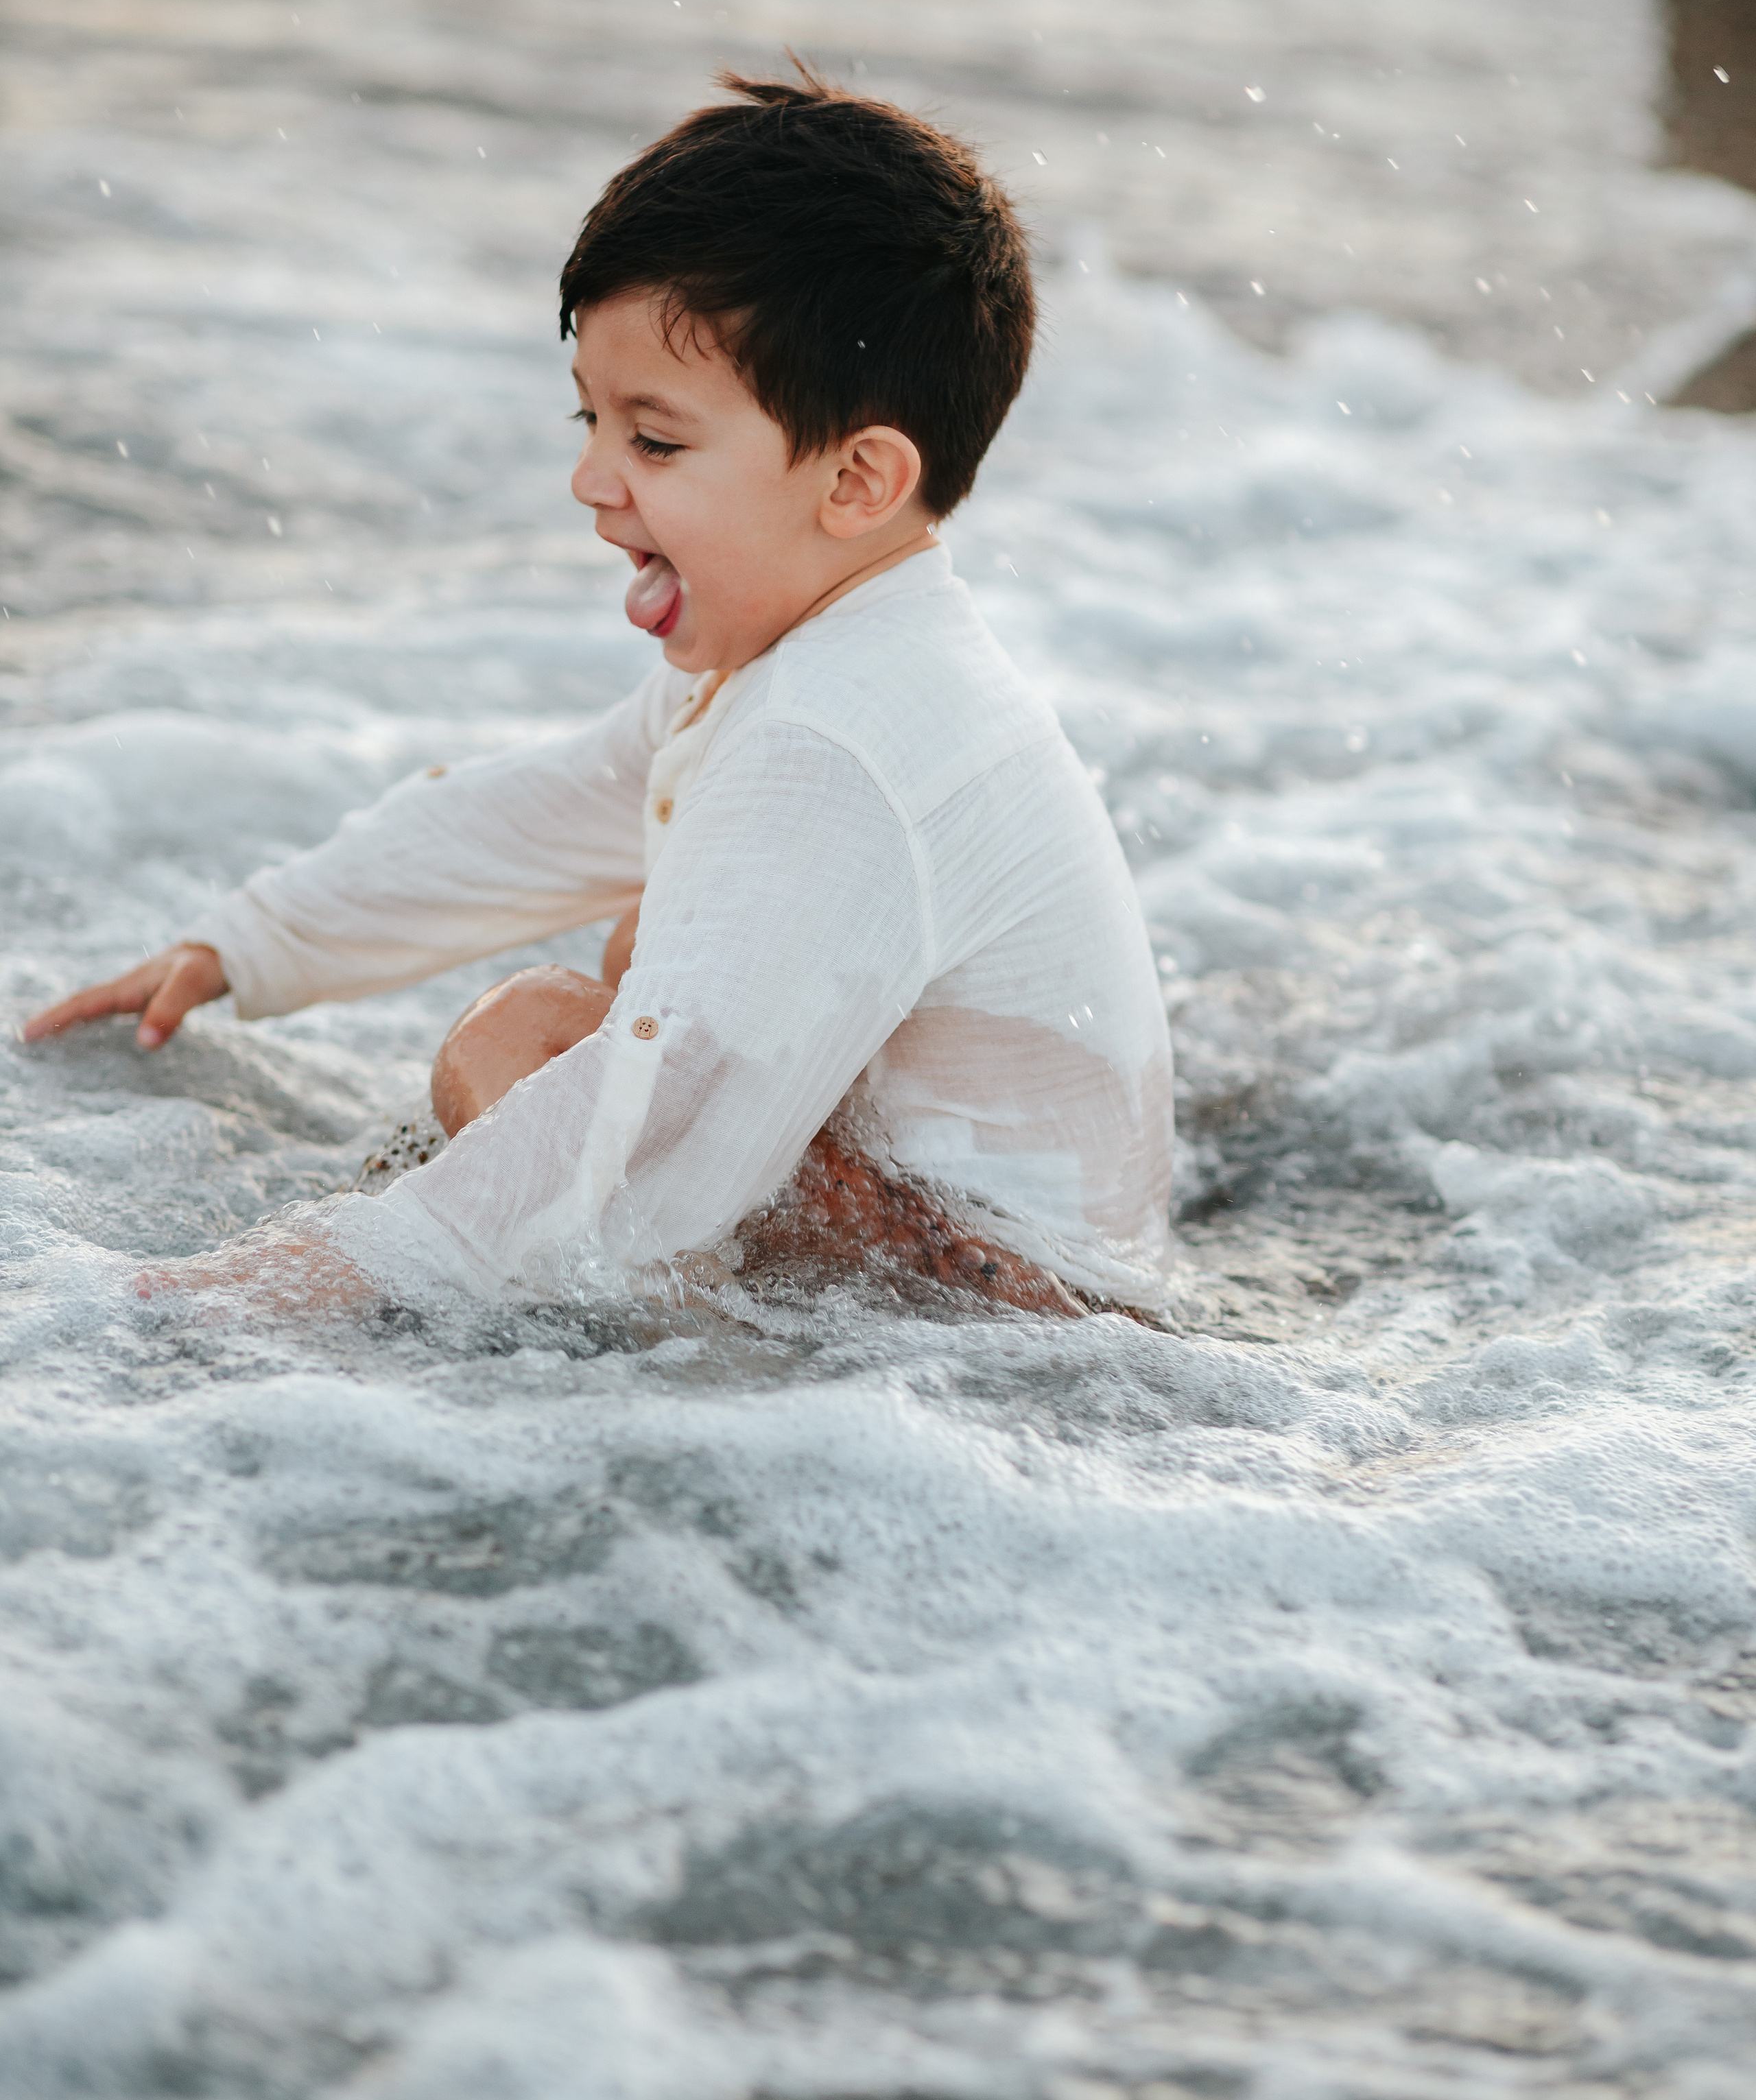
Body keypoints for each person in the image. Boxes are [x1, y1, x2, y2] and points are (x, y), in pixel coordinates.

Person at [24, 65, 1176, 1317]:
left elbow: (651, 1118)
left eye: (655, 440)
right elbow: (530, 817)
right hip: (998, 1270)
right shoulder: (816, 660)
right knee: (638, 944)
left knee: (526, 1041)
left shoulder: (837, 745)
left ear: (857, 482)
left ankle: (678, 1344)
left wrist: (285, 1285)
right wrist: (249, 941)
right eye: (589, 421)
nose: (591, 480)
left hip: (1015, 1327)